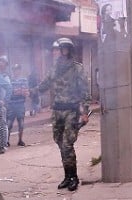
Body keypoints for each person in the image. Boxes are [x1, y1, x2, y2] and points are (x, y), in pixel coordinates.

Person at [33, 38, 90, 191]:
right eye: (55, 50)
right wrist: (31, 92)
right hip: (57, 111)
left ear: (68, 50)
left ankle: (74, 177)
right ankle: (67, 175)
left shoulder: (77, 68)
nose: (56, 52)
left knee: (67, 144)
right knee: (59, 142)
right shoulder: (54, 68)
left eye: (59, 49)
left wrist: (84, 112)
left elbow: (84, 90)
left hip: (71, 110)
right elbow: (44, 84)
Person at [7, 64, 29, 147]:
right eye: (15, 70)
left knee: (21, 124)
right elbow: (10, 92)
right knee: (9, 124)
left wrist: (17, 91)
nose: (16, 71)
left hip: (20, 104)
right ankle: (6, 140)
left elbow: (25, 91)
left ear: (20, 70)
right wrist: (18, 91)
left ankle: (20, 140)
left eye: (17, 69)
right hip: (11, 105)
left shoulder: (24, 79)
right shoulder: (10, 80)